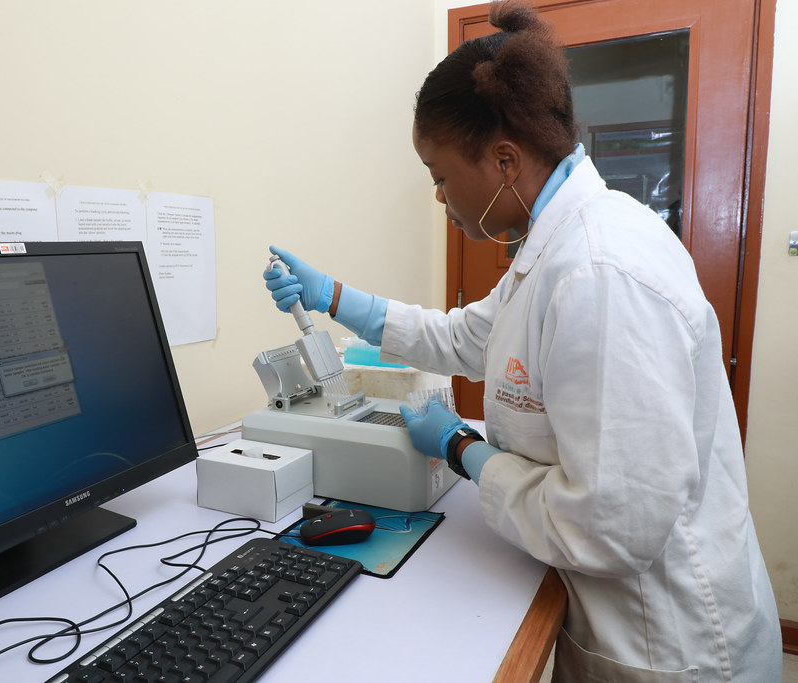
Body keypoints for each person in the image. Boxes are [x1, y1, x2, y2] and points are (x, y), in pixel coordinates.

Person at [261, 2, 782, 681]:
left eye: (441, 175)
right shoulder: (554, 249)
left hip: (670, 646)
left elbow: (615, 525)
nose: (439, 197)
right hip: (621, 620)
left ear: (505, 159)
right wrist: (331, 296)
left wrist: (462, 449)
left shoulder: (599, 272)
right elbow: (458, 336)